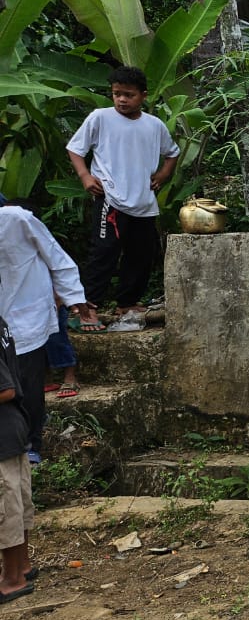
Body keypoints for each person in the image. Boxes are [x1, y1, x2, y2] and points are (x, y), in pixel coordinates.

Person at [66, 65, 179, 332]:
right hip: (110, 199)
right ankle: (87, 307)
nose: (121, 100)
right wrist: (85, 176)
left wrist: (163, 174)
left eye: (128, 95)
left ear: (143, 95)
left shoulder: (154, 125)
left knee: (141, 254)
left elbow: (172, 152)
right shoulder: (100, 118)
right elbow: (75, 148)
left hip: (143, 203)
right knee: (104, 251)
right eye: (116, 94)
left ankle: (126, 302)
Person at [0, 200, 89, 466]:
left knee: (28, 384)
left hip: (27, 312)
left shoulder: (16, 219)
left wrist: (74, 297)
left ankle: (31, 444)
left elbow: (55, 255)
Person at [0, 314, 35, 603]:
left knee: (6, 508)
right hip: (13, 426)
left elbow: (5, 389)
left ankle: (12, 580)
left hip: (2, 432)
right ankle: (22, 565)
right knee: (17, 500)